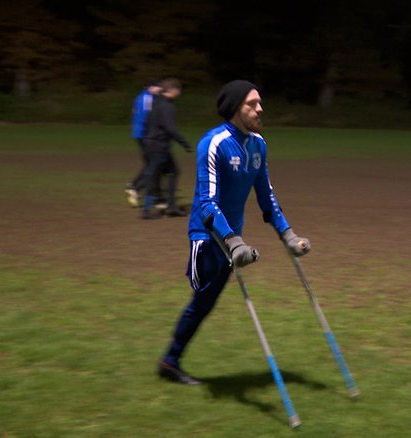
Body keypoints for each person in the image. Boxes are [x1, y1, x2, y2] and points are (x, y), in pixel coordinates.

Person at [157, 80, 312, 384]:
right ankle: (170, 361)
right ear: (234, 108)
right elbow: (206, 202)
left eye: (259, 102)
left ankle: (169, 361)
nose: (259, 108)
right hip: (207, 237)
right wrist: (233, 242)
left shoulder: (258, 144)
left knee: (205, 303)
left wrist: (289, 235)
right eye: (252, 104)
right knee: (203, 300)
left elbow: (266, 196)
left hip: (232, 240)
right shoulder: (213, 143)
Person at [140, 77, 192, 219]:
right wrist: (184, 143)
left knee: (172, 172)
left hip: (152, 143)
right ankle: (147, 210)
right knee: (154, 174)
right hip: (158, 145)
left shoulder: (155, 103)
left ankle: (171, 206)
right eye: (178, 90)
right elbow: (170, 128)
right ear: (173, 90)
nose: (179, 93)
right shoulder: (167, 106)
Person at [125, 80, 162, 207]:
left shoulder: (140, 97)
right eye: (158, 87)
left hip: (139, 134)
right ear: (151, 87)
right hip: (145, 135)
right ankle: (135, 187)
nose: (159, 90)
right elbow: (147, 117)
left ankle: (151, 192)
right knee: (154, 164)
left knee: (151, 163)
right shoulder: (148, 98)